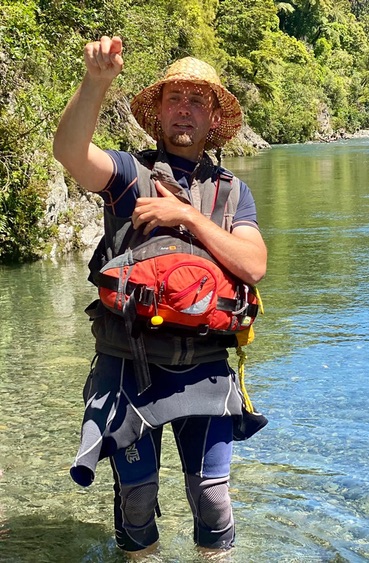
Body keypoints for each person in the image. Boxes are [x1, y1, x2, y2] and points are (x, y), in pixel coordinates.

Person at [53, 36, 268, 553]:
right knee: (137, 497)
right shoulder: (131, 176)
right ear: (159, 111)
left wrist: (187, 216)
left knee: (214, 501)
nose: (185, 110)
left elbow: (253, 266)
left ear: (213, 116)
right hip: (132, 363)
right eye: (175, 98)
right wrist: (96, 82)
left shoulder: (232, 192)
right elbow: (70, 154)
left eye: (198, 100)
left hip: (205, 363)